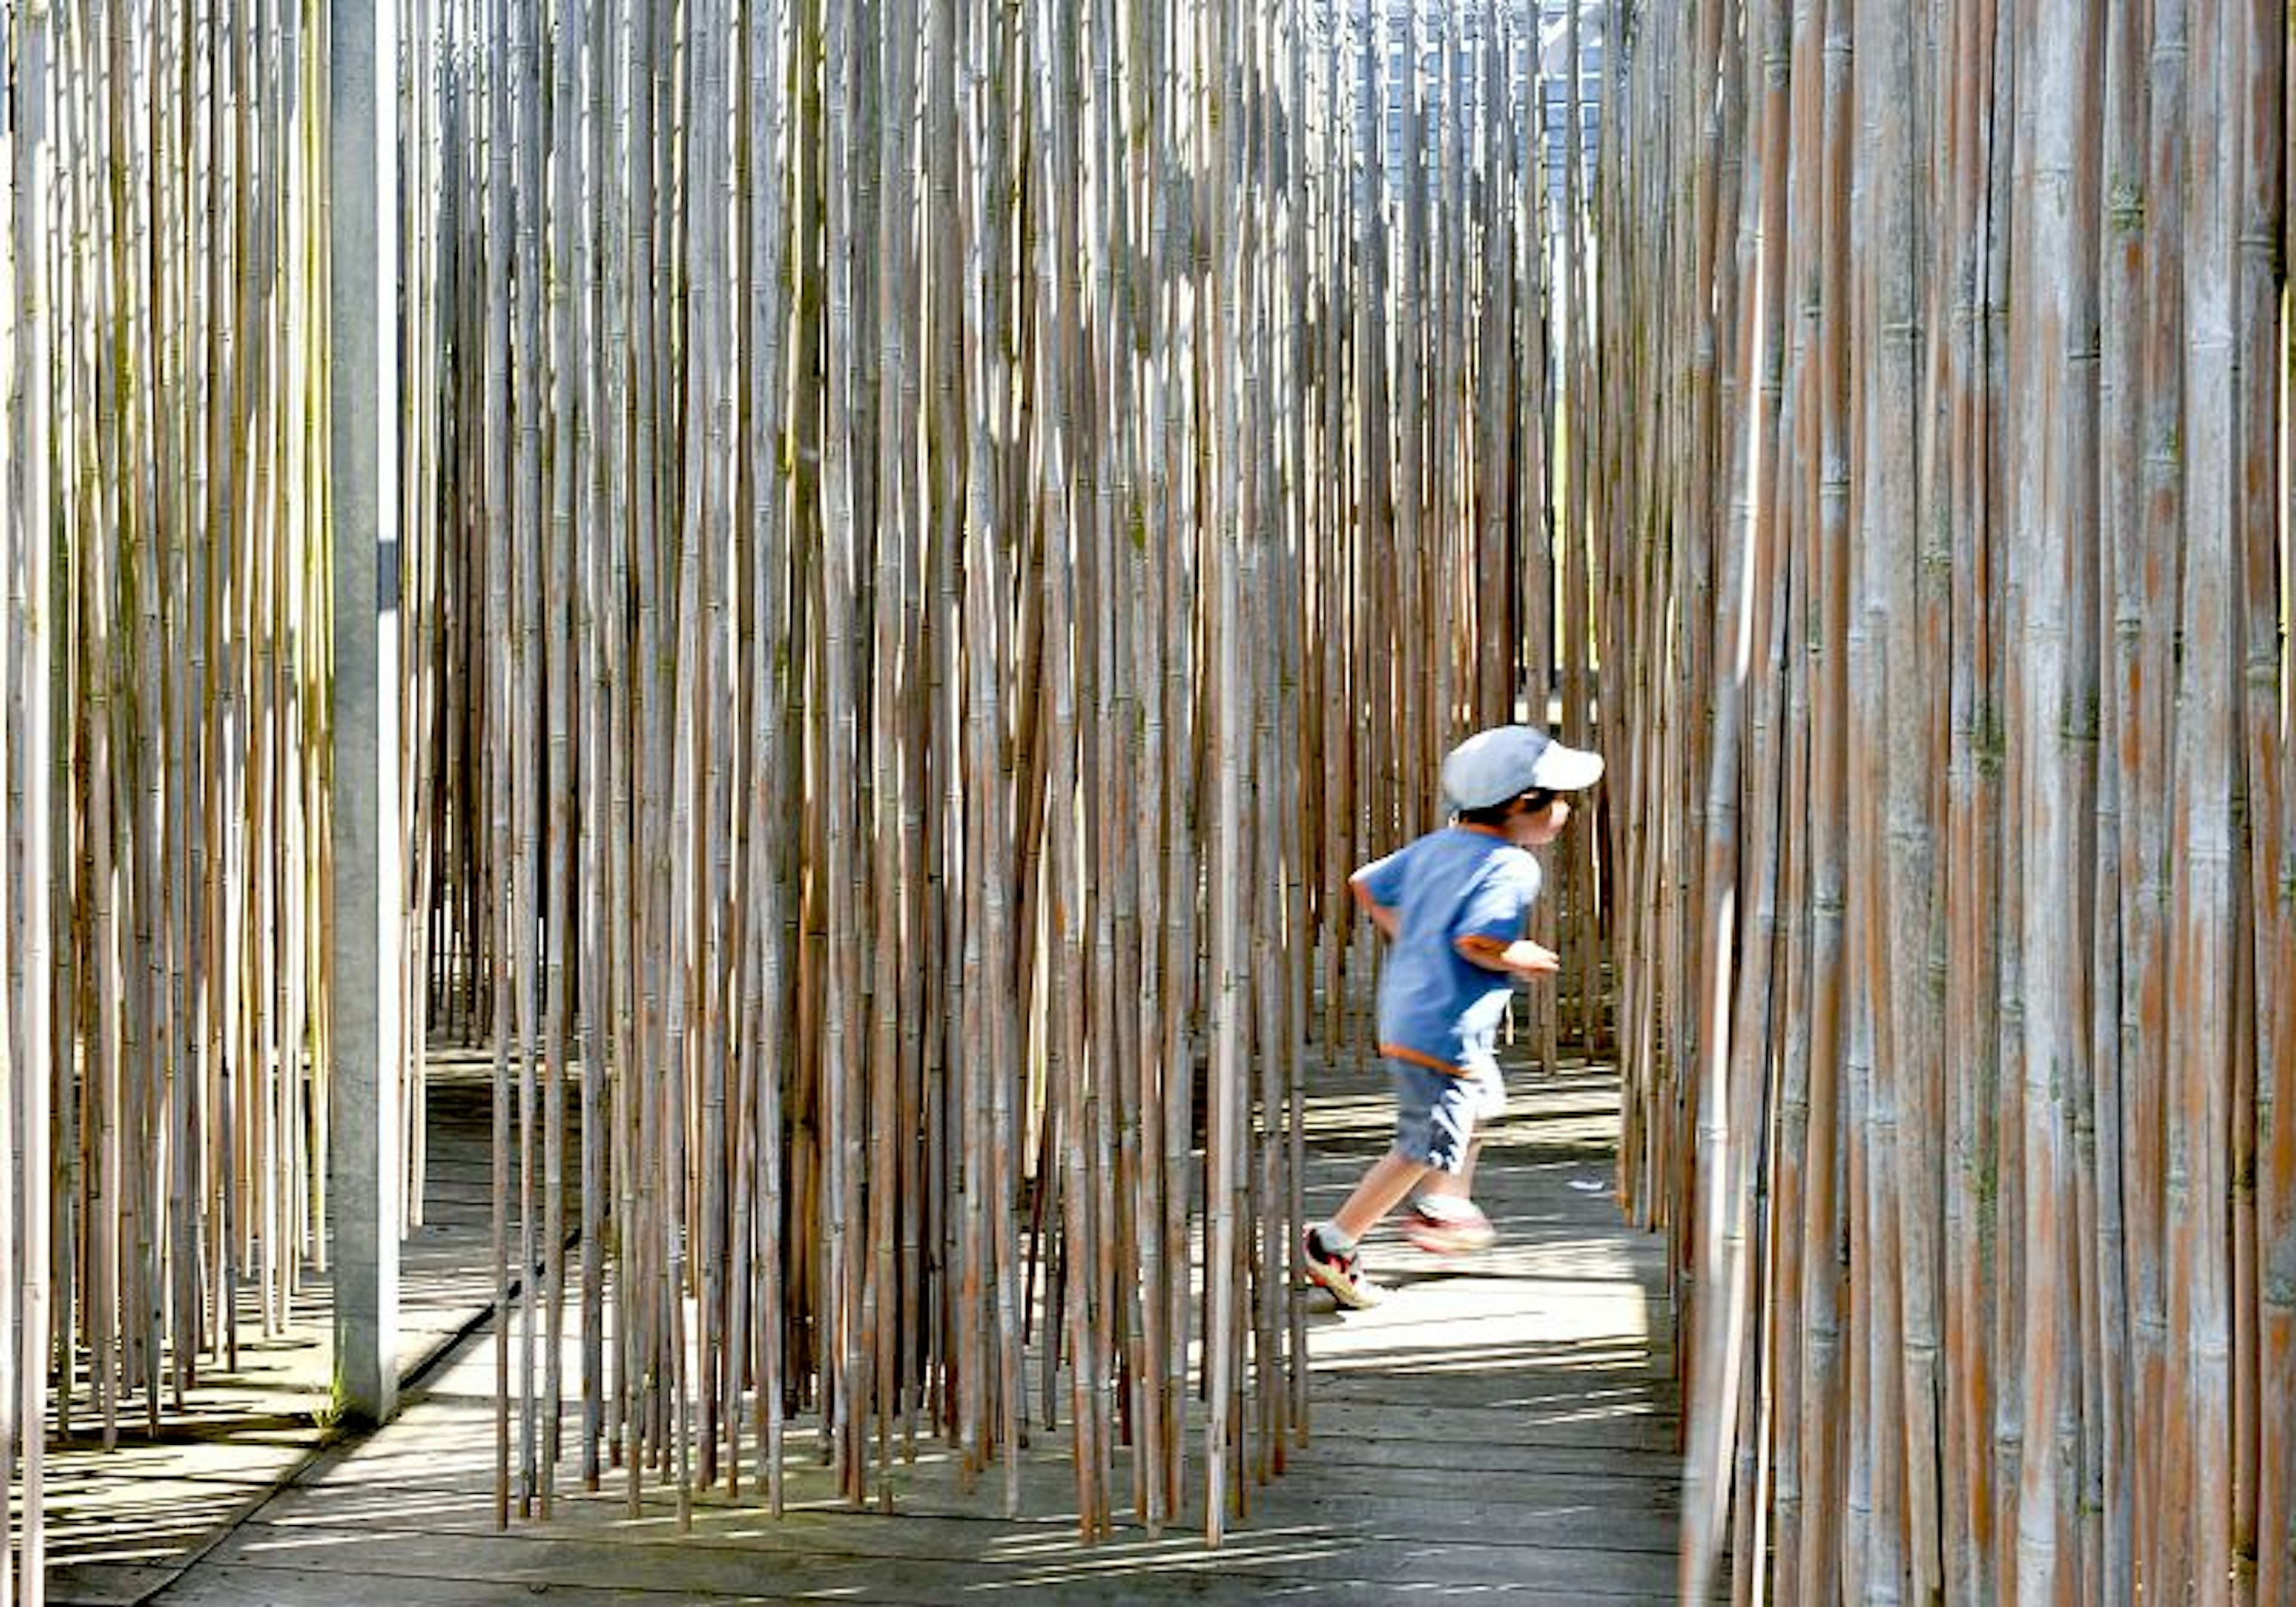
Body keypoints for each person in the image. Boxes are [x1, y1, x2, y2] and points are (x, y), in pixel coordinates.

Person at [1302, 723, 1602, 1309]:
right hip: (1446, 1027)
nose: (1567, 811)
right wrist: (1521, 956)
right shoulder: (1512, 867)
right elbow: (1476, 941)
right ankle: (1336, 1242)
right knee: (1422, 1145)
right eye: (1561, 800)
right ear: (1523, 805)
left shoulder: (1437, 846)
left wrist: (1412, 934)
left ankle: (1443, 1206)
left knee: (1482, 1100)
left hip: (1409, 1014)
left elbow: (1365, 885)